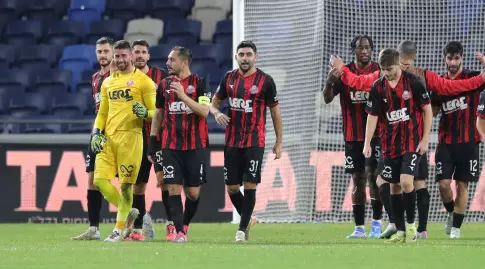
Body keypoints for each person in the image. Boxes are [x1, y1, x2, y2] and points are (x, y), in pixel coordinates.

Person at [210, 40, 283, 242]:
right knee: (232, 188)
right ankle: (249, 219)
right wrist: (216, 113)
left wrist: (279, 141)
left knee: (250, 184)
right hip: (232, 141)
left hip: (254, 141)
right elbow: (213, 103)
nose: (245, 58)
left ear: (255, 57)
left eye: (249, 54)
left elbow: (275, 112)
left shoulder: (265, 81)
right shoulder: (228, 78)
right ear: (236, 57)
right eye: (241, 55)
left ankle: (241, 230)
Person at [90, 40, 157, 242]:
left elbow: (156, 113)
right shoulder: (108, 82)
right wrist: (96, 132)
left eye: (123, 56)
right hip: (108, 138)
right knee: (99, 181)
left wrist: (146, 113)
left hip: (131, 138)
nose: (119, 60)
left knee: (127, 187)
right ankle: (127, 212)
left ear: (130, 56)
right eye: (116, 56)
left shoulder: (143, 81)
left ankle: (118, 230)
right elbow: (102, 113)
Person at [363, 48, 433, 243]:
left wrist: (425, 138)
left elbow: (427, 111)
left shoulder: (414, 83)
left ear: (398, 63)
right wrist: (367, 142)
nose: (386, 73)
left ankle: (411, 227)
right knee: (390, 185)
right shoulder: (378, 87)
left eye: (390, 68)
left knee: (406, 182)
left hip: (412, 142)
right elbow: (372, 116)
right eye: (383, 69)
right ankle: (401, 230)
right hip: (389, 144)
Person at [148, 46, 211, 243]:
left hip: (194, 146)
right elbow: (158, 113)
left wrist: (183, 96)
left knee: (192, 193)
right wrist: (152, 140)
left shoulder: (200, 84)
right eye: (168, 60)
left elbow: (204, 111)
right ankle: (179, 233)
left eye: (171, 60)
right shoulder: (163, 84)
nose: (167, 63)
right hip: (170, 146)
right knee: (172, 188)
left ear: (184, 62)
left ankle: (184, 224)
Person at [323, 35, 383, 239]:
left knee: (376, 178)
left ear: (372, 50)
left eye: (367, 48)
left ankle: (376, 224)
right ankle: (359, 228)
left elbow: (362, 85)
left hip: (376, 135)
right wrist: (330, 81)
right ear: (354, 51)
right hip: (352, 135)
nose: (364, 51)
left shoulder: (379, 71)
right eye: (360, 48)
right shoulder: (342, 72)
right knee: (358, 179)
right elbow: (327, 98)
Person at [431, 41, 485, 239]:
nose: (452, 62)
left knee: (462, 185)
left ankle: (456, 229)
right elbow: (434, 111)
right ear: (444, 59)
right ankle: (451, 212)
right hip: (446, 142)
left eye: (456, 58)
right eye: (449, 58)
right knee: (444, 185)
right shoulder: (439, 84)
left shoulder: (473, 77)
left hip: (469, 141)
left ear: (462, 57)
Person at [122, 39, 172, 241]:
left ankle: (172, 225)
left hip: (159, 136)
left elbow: (170, 105)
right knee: (138, 185)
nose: (140, 55)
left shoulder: (162, 76)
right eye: (137, 52)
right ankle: (139, 229)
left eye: (144, 52)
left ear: (149, 56)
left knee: (165, 182)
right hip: (136, 137)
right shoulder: (124, 78)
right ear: (131, 55)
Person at [72, 37, 113, 241]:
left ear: (113, 52)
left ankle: (138, 221)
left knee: (126, 182)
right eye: (100, 52)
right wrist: (94, 132)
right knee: (91, 180)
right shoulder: (96, 78)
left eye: (106, 51)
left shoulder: (120, 77)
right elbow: (99, 111)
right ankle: (94, 229)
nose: (103, 55)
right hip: (98, 136)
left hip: (118, 136)